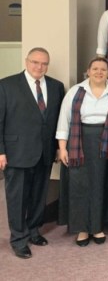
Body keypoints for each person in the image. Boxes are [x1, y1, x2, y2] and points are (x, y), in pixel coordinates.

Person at [56, 57, 108, 246]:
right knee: (80, 186)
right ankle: (82, 228)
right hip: (79, 143)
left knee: (101, 185)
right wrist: (62, 148)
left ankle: (97, 227)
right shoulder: (75, 92)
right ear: (88, 71)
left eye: (103, 69)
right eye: (95, 68)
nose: (99, 72)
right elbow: (64, 121)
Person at [0, 48, 64, 259]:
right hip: (16, 152)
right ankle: (18, 239)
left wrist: (57, 147)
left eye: (44, 63)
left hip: (45, 152)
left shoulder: (56, 86)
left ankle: (34, 231)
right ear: (27, 61)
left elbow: (58, 121)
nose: (39, 67)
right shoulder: (6, 85)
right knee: (17, 198)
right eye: (35, 62)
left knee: (39, 195)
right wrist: (0, 152)